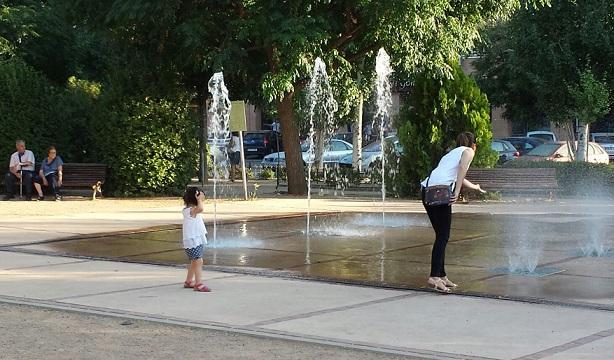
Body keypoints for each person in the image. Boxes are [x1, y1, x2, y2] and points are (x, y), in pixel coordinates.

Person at [421, 132, 485, 293]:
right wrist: (456, 192)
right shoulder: (469, 151)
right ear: (474, 144)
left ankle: (441, 275)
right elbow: (462, 169)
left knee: (441, 236)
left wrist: (474, 187)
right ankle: (434, 276)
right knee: (443, 236)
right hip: (441, 192)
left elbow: (459, 175)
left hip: (426, 191)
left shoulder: (451, 154)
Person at [182, 187, 211, 292]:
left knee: (194, 262)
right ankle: (199, 284)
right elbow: (201, 208)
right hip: (192, 241)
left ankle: (189, 281)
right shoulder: (190, 211)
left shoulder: (190, 210)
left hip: (195, 240)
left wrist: (199, 200)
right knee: (198, 261)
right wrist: (199, 200)